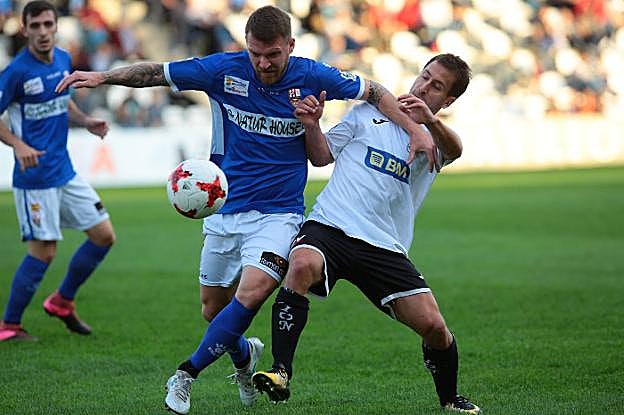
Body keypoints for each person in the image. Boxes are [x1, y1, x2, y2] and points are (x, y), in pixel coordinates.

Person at [55, 5, 437, 414]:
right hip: (224, 209)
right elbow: (156, 73)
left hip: (279, 215)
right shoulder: (222, 70)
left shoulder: (312, 75)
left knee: (251, 294)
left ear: (290, 45)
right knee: (213, 310)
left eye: (273, 54)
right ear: (246, 46)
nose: (263, 63)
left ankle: (185, 375)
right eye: (255, 53)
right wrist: (103, 76)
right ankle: (243, 357)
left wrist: (415, 130)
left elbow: (374, 91)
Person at [252, 54, 481, 414]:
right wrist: (312, 125)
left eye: (436, 86)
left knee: (435, 328)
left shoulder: (434, 139)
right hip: (331, 225)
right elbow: (322, 156)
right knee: (302, 264)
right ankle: (281, 371)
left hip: (384, 246)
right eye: (425, 76)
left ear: (448, 100)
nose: (424, 86)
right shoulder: (365, 114)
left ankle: (450, 400)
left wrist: (430, 122)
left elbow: (455, 150)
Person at [0, 1, 113, 342]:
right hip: (35, 179)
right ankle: (9, 326)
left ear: (56, 26)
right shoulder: (16, 72)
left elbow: (63, 103)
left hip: (64, 171)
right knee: (44, 252)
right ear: (25, 30)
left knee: (103, 236)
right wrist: (18, 145)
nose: (43, 32)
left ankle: (62, 301)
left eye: (48, 24)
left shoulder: (63, 59)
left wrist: (86, 120)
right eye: (35, 26)